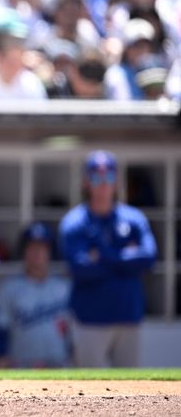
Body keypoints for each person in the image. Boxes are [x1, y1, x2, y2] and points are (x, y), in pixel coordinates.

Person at [59, 150, 157, 368]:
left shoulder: (134, 219)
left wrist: (103, 255)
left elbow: (148, 257)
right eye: (96, 177)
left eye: (109, 177)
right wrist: (125, 261)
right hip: (89, 320)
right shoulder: (74, 222)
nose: (103, 184)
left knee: (130, 391)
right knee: (89, 391)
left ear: (117, 181)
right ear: (86, 181)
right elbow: (79, 268)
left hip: (128, 316)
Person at [0, 222, 71, 368]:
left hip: (59, 364)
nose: (37, 253)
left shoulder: (64, 288)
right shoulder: (9, 289)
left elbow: (74, 329)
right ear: (24, 251)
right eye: (32, 247)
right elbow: (0, 327)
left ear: (50, 252)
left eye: (42, 248)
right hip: (22, 365)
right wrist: (1, 355)